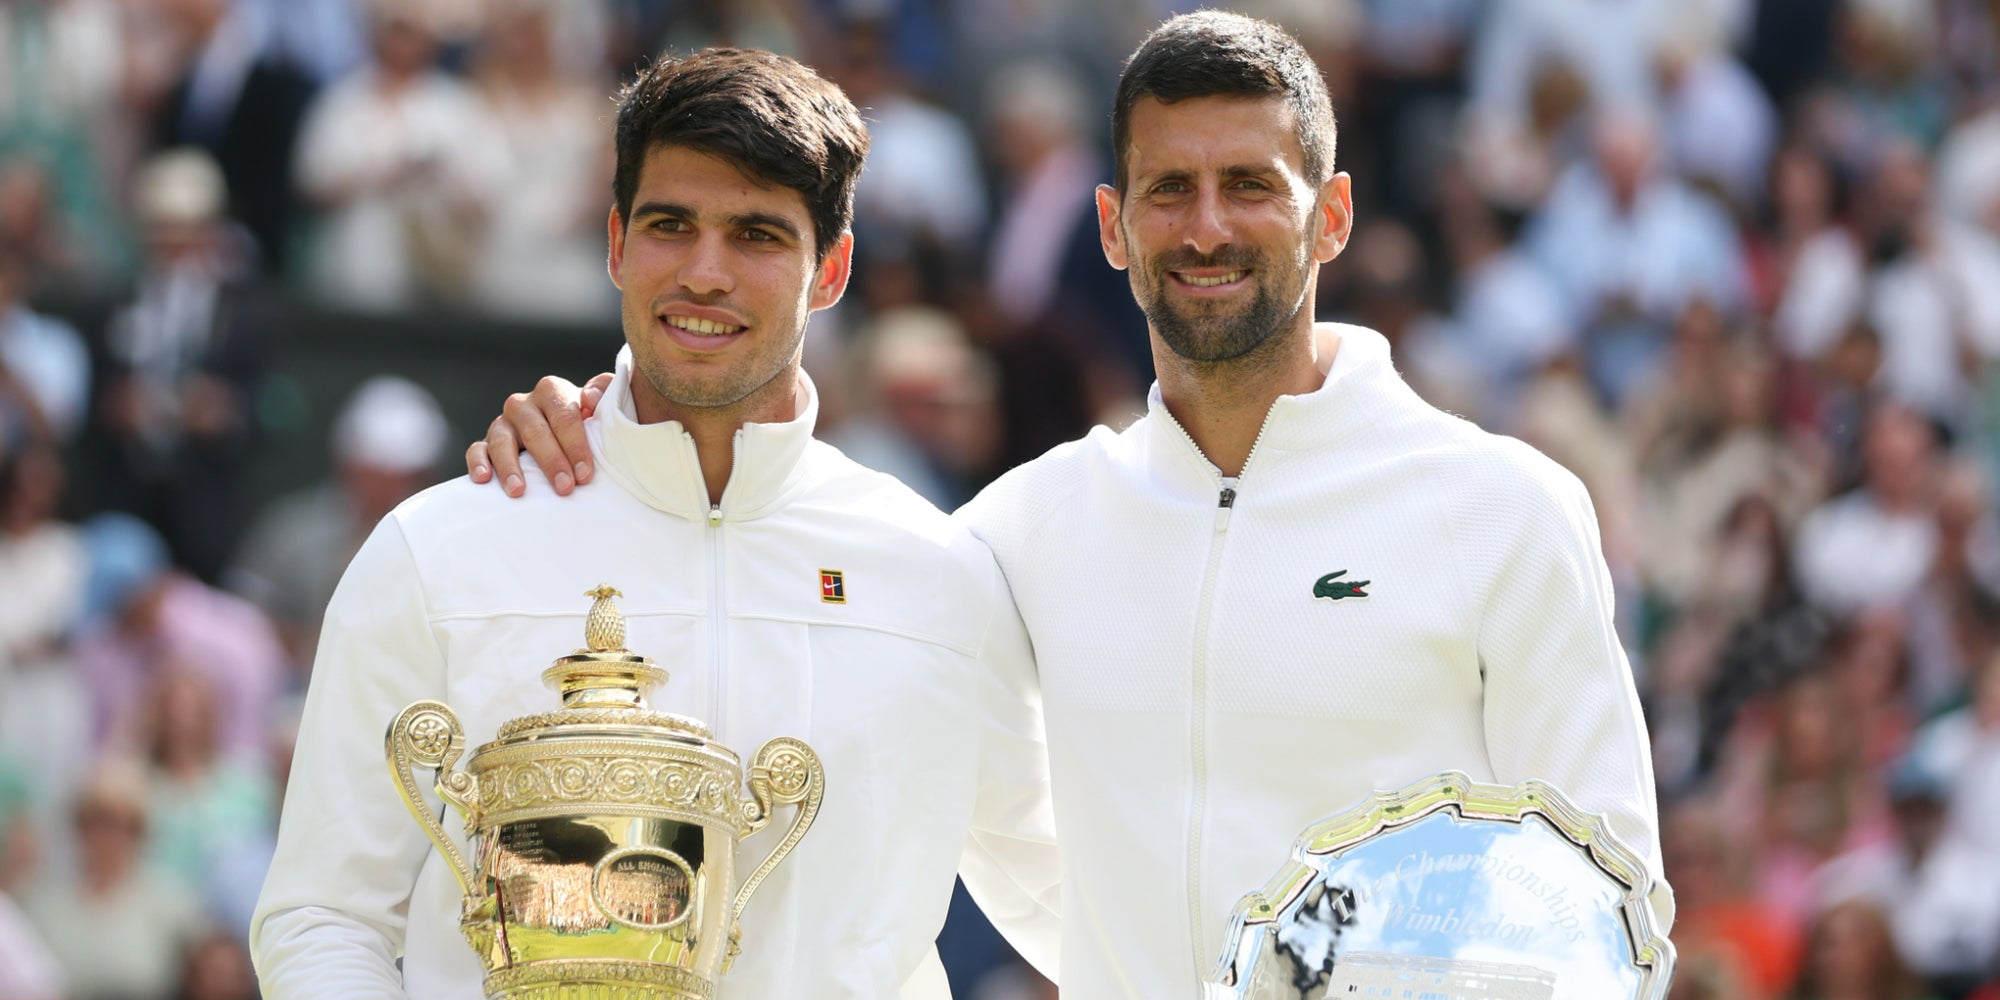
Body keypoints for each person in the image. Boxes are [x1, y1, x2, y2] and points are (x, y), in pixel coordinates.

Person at [468, 12, 1670, 995]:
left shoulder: (1501, 508)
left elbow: (1610, 899)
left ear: (1332, 215)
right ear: (1111, 225)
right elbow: (767, 540)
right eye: (1168, 190)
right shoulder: (1022, 528)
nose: (1206, 228)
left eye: (1249, 185)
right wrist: (603, 428)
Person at [251, 47, 1057, 999]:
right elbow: (324, 917)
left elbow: (1070, 907)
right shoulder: (439, 550)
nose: (704, 273)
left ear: (832, 269)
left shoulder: (938, 571)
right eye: (671, 225)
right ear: (615, 244)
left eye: (757, 235)